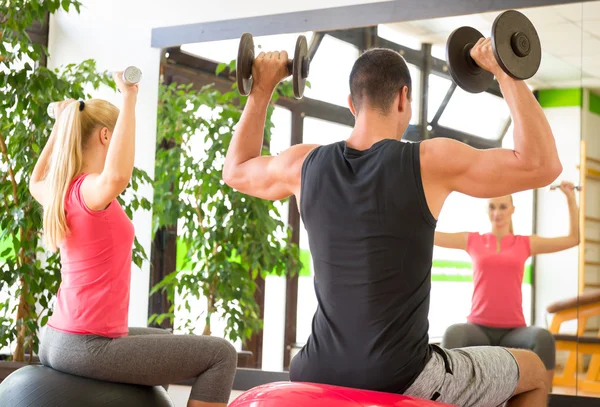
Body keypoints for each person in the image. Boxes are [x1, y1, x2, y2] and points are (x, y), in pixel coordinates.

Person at [223, 37, 562, 407]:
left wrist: (261, 88)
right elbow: (542, 164)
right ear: (404, 99)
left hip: (316, 368)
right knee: (530, 367)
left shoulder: (302, 165)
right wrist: (503, 70)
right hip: (402, 375)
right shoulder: (428, 160)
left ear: (352, 104)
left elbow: (236, 170)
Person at [29, 73, 237, 407]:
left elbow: (33, 179)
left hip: (56, 337)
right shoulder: (91, 191)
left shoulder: (60, 191)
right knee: (221, 354)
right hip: (87, 346)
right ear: (106, 135)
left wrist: (58, 129)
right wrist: (129, 97)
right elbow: (118, 175)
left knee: (168, 341)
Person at [435, 181, 579, 388]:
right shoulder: (473, 240)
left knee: (543, 338)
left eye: (503, 206)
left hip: (514, 331)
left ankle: (541, 399)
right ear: (487, 210)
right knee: (453, 333)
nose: (497, 212)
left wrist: (570, 198)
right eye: (492, 207)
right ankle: (447, 397)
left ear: (512, 210)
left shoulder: (524, 243)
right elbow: (431, 235)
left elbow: (573, 239)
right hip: (478, 328)